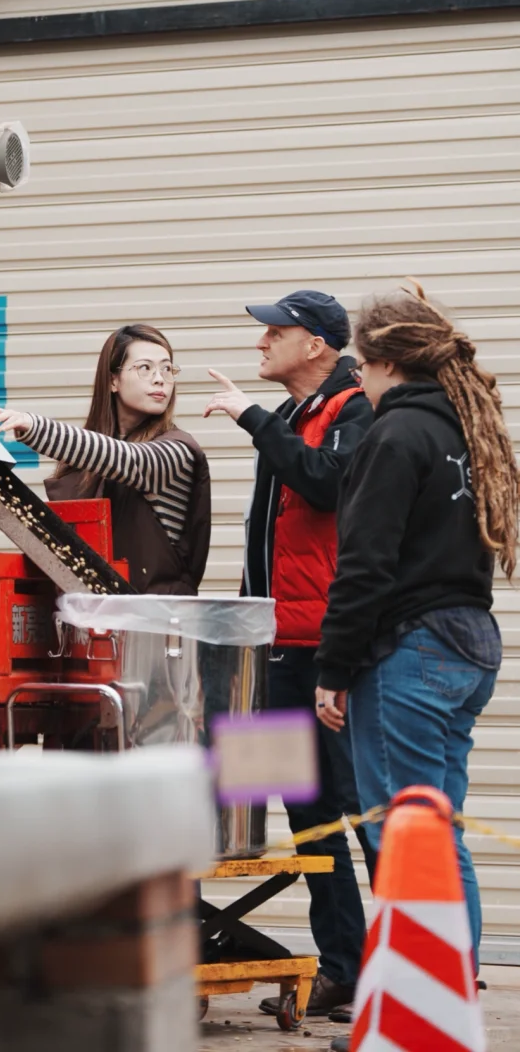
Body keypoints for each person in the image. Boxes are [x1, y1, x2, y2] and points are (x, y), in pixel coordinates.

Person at [315, 282, 517, 979]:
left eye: (361, 366)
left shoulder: (394, 435)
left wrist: (333, 669)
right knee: (437, 830)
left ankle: (423, 996)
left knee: (405, 834)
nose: (358, 380)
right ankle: (448, 988)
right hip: (468, 643)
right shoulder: (466, 430)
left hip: (411, 649)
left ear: (387, 363)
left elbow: (365, 566)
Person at [204, 290, 374, 1020]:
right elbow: (266, 539)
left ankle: (400, 971)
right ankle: (340, 966)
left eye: (276, 331)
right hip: (276, 650)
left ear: (317, 344)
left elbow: (327, 483)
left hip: (329, 654)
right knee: (301, 812)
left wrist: (252, 418)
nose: (261, 342)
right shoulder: (291, 415)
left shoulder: (356, 410)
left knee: (355, 809)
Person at [0, 323, 210, 595]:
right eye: (145, 368)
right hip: (86, 616)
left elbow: (128, 460)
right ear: (113, 380)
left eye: (167, 369)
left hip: (156, 618)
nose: (160, 379)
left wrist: (34, 426)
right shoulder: (86, 464)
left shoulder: (178, 451)